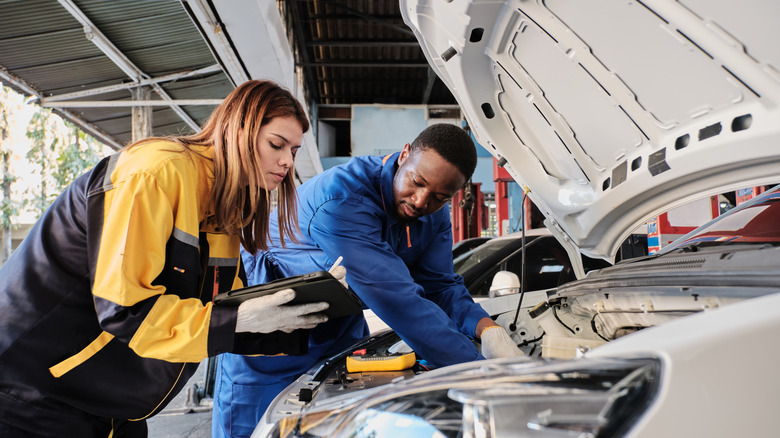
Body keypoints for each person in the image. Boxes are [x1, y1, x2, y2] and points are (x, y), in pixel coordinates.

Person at [0, 80, 332, 437]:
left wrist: (297, 317)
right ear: (237, 130)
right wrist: (238, 319)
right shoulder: (152, 173)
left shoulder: (224, 208)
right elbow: (126, 310)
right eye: (276, 145)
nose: (287, 161)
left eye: (293, 151)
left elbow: (218, 312)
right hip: (29, 394)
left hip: (108, 402)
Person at [213, 123, 522, 437]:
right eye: (417, 182)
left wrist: (488, 329)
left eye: (440, 197)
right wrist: (482, 375)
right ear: (404, 155)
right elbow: (398, 301)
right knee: (257, 430)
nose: (421, 201)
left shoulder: (433, 213)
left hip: (339, 328)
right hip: (271, 336)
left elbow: (440, 286)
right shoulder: (341, 199)